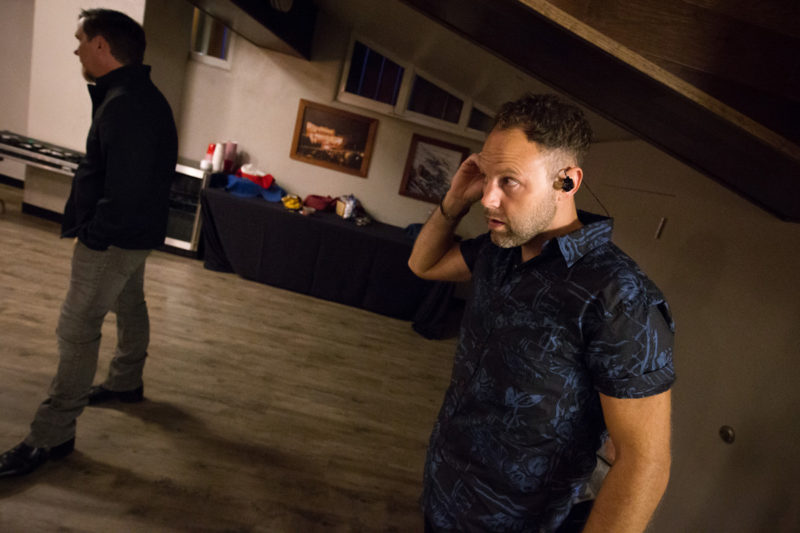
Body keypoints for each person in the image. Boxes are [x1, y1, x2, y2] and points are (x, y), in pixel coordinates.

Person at [409, 93, 675, 532]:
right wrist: (455, 199)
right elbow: (423, 264)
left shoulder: (619, 296)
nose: (489, 199)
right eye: (487, 177)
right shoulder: (501, 249)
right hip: (446, 495)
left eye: (509, 181)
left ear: (566, 182)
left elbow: (645, 463)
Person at [0, 8, 177, 478]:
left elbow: (127, 189)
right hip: (133, 236)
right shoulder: (136, 94)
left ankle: (50, 435)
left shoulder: (127, 104)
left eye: (80, 40)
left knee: (76, 330)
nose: (76, 48)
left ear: (102, 46)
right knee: (130, 302)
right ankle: (125, 381)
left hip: (114, 240)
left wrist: (95, 238)